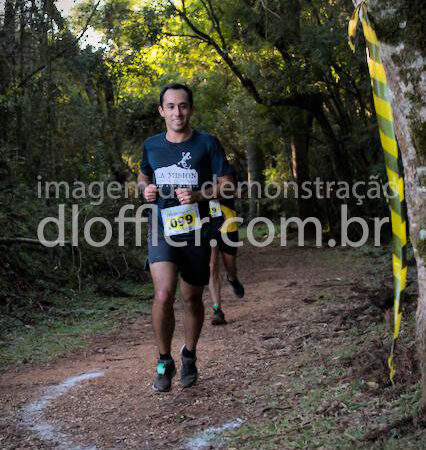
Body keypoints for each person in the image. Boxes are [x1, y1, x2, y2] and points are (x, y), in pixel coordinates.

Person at [138, 83, 234, 392]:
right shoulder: (151, 145)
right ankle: (164, 360)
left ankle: (189, 354)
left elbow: (228, 185)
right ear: (161, 111)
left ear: (190, 109)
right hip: (162, 230)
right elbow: (142, 176)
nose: (177, 112)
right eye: (170, 106)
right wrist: (145, 190)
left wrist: (198, 194)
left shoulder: (208, 144)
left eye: (182, 106)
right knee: (163, 294)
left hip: (197, 232)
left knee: (191, 298)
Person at [208, 176, 245, 326]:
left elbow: (239, 189)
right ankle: (217, 310)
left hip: (227, 219)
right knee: (211, 266)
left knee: (230, 264)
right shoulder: (194, 168)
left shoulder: (223, 168)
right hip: (206, 221)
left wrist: (236, 191)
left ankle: (232, 278)